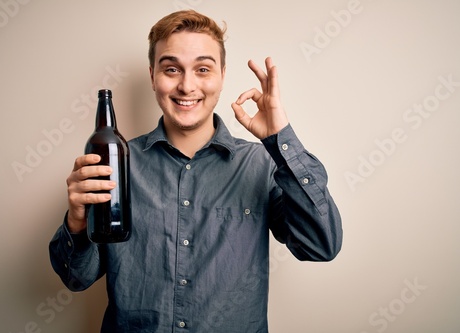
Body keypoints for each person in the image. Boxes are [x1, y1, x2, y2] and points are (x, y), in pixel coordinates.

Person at [49, 9, 342, 333]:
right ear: (152, 76)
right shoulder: (117, 164)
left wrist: (280, 139)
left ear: (222, 75)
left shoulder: (262, 164)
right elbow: (76, 278)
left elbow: (321, 245)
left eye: (202, 69)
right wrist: (77, 221)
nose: (187, 86)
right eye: (171, 69)